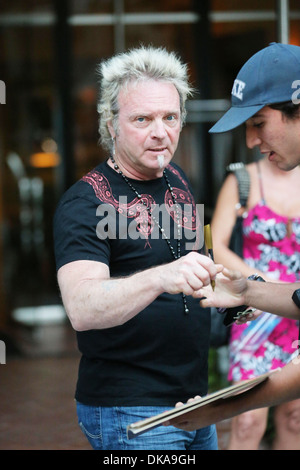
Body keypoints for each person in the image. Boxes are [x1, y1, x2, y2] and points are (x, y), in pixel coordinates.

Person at [53, 46, 221, 451]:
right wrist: (162, 277)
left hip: (197, 402)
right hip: (133, 410)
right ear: (111, 125)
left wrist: (234, 293)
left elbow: (198, 264)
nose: (160, 132)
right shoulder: (85, 203)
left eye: (170, 117)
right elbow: (82, 306)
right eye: (142, 119)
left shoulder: (177, 178)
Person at [165, 42, 300, 437]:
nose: (252, 141)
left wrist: (219, 408)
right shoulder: (244, 179)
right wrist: (246, 292)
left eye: (259, 122)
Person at [211, 156, 300, 449]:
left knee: (295, 418)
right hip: (255, 314)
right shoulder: (243, 180)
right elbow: (216, 247)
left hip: (297, 312)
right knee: (247, 419)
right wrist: (262, 284)